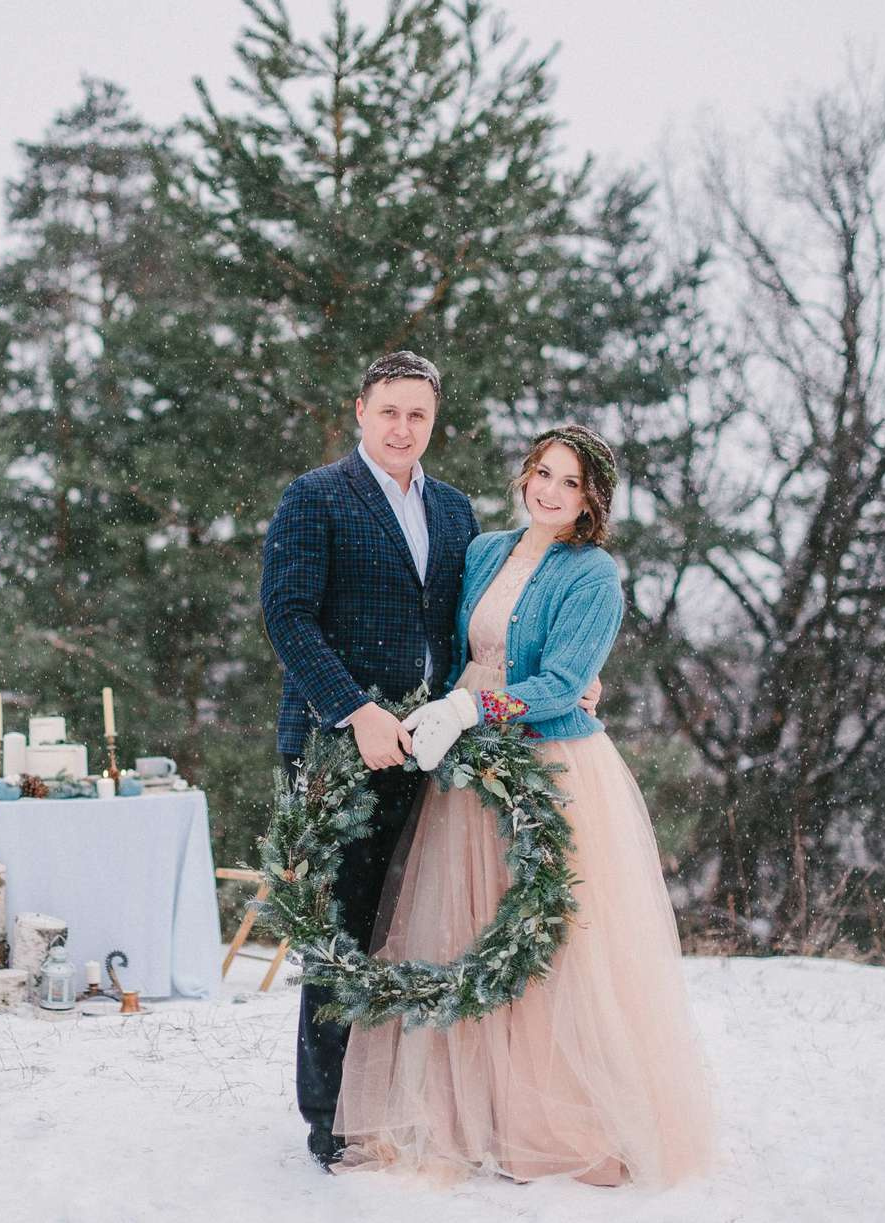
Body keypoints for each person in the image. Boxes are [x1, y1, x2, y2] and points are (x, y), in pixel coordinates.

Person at [331, 424, 716, 1187]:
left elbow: (563, 685)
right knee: (466, 929)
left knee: (547, 946)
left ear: (592, 499)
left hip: (548, 768)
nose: (550, 491)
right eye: (543, 473)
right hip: (469, 769)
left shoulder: (594, 574)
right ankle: (471, 1110)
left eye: (570, 482)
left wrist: (477, 707)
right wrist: (441, 707)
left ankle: (550, 1118)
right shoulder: (484, 552)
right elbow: (455, 650)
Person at [260, 351, 479, 1169]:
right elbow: (287, 615)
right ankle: (330, 1117)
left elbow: (469, 620)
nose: (402, 427)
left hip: (426, 749)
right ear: (361, 410)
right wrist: (356, 711)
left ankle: (398, 1097)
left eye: (418, 414)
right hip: (334, 748)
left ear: (434, 420)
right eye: (389, 410)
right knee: (340, 933)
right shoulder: (316, 496)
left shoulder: (454, 510)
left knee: (411, 925)